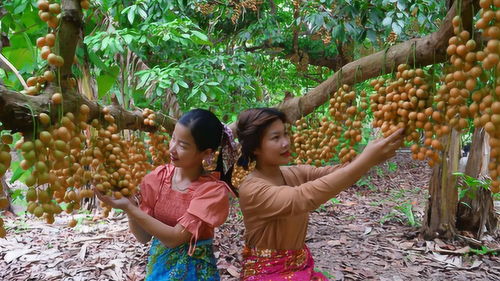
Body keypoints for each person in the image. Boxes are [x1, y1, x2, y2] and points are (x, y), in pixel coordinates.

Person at [236, 108, 404, 280]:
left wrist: (374, 155)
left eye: (286, 134)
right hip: (268, 274)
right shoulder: (252, 188)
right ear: (255, 147)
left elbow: (338, 173)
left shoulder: (292, 173)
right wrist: (365, 160)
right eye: (276, 138)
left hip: (301, 265)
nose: (286, 142)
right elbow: (302, 197)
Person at [96, 109, 239, 281]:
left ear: (206, 153)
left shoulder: (212, 191)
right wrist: (131, 207)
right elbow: (143, 237)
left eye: (183, 145)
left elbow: (174, 239)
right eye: (173, 139)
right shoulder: (157, 178)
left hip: (195, 275)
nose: (172, 148)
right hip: (158, 271)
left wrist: (129, 208)